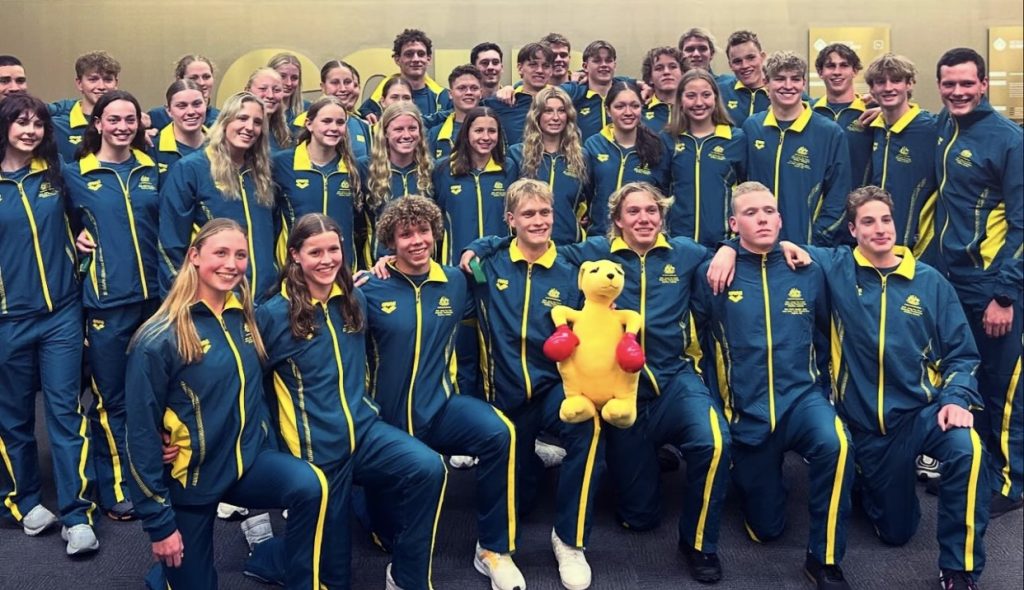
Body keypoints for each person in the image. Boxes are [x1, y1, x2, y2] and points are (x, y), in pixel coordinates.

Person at [466, 182, 736, 585]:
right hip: (552, 392)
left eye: (651, 210)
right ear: (617, 220)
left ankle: (575, 540)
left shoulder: (679, 254)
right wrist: (479, 245)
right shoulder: (582, 255)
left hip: (642, 384)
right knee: (608, 510)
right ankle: (540, 468)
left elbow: (740, 247)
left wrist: (729, 246)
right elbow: (514, 247)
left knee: (606, 427)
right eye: (633, 212)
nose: (643, 218)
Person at [236, 213, 446, 590]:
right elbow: (244, 383)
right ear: (295, 255)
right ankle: (268, 554)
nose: (327, 259)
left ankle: (406, 578)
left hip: (364, 434)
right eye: (315, 252)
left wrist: (387, 264)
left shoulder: (354, 298)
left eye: (333, 250)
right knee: (333, 577)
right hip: (317, 453)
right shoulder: (272, 315)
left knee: (428, 467)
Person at [124, 218, 329, 590]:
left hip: (245, 463)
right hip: (191, 481)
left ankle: (275, 563)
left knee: (311, 485)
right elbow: (139, 434)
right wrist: (159, 525)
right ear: (194, 256)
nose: (231, 264)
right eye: (220, 253)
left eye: (240, 255)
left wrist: (370, 275)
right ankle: (167, 576)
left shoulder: (246, 317)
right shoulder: (158, 338)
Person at [692, 181, 853, 590]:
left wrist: (824, 387)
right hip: (747, 409)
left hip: (801, 399)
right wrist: (728, 248)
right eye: (750, 213)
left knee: (837, 444)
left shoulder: (808, 269)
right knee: (766, 530)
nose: (762, 219)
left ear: (780, 219)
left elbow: (825, 329)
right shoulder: (714, 273)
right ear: (734, 223)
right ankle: (756, 473)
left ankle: (824, 560)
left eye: (768, 211)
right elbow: (699, 342)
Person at [360, 195, 524, 590]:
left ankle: (493, 548)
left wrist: (477, 247)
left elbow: (511, 242)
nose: (417, 241)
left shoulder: (455, 280)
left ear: (435, 233)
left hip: (438, 410)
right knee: (385, 537)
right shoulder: (370, 287)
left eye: (424, 231)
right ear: (390, 242)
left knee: (499, 432)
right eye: (405, 234)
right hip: (386, 422)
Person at [458, 179, 601, 590]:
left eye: (545, 212)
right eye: (528, 213)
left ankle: (570, 539)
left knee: (587, 425)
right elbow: (451, 269)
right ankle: (492, 547)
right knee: (517, 496)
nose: (538, 221)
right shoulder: (489, 264)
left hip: (553, 388)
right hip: (504, 394)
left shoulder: (572, 268)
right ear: (511, 219)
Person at [0, 92, 99, 556]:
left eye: (38, 123)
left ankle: (78, 515)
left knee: (64, 411)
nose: (30, 131)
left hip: (61, 313)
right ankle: (23, 501)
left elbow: (90, 215)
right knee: (14, 417)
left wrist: (82, 234)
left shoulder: (56, 174)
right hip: (7, 321)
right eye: (21, 122)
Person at [62, 89, 160, 523]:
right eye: (114, 119)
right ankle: (118, 487)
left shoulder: (151, 169)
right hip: (106, 304)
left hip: (155, 300)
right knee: (111, 398)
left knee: (154, 394)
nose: (122, 127)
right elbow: (55, 229)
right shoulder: (75, 175)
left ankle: (155, 475)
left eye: (129, 119)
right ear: (97, 123)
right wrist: (76, 238)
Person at [934, 47, 1023, 519]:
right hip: (953, 282)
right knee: (966, 377)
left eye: (967, 83)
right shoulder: (944, 127)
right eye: (949, 84)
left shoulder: (1009, 139)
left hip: (994, 286)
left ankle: (1011, 482)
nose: (958, 92)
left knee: (1003, 386)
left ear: (984, 84)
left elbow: (1023, 224)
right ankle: (980, 470)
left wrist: (1004, 295)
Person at [159, 91, 278, 304]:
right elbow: (171, 243)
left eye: (257, 122)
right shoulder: (191, 169)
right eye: (242, 118)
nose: (249, 127)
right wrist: (182, 298)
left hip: (264, 299)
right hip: (213, 299)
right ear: (225, 121)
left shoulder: (262, 173)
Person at [742, 51, 850, 245]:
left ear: (804, 83)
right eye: (779, 79)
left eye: (795, 79)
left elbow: (839, 196)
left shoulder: (829, 132)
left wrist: (816, 239)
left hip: (806, 248)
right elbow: (741, 185)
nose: (788, 86)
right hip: (757, 247)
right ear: (766, 83)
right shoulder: (752, 127)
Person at [272, 96, 362, 272]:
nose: (333, 128)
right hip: (296, 271)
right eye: (326, 121)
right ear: (309, 124)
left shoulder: (354, 168)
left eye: (340, 122)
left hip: (341, 271)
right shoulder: (282, 164)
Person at [863, 53, 938, 256]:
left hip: (919, 249)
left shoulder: (931, 128)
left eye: (896, 80)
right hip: (878, 245)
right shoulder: (874, 128)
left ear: (910, 84)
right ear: (872, 89)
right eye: (881, 82)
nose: (888, 88)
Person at [664, 68, 746, 246]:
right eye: (691, 96)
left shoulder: (735, 139)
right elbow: (659, 190)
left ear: (715, 98)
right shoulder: (668, 139)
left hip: (723, 245)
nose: (699, 102)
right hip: (677, 244)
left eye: (706, 95)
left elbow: (746, 190)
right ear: (680, 100)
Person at [583, 81, 668, 236]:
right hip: (600, 237)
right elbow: (585, 193)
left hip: (640, 238)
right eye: (620, 106)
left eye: (634, 106)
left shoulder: (657, 147)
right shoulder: (593, 145)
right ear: (608, 110)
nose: (628, 112)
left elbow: (663, 195)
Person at [506, 85, 587, 245]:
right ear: (537, 115)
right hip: (526, 247)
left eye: (561, 111)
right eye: (548, 111)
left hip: (568, 246)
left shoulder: (581, 157)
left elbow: (588, 201)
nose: (555, 117)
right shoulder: (517, 154)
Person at [360, 101, 434, 265]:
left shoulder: (432, 169)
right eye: (398, 129)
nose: (406, 135)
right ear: (385, 132)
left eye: (412, 128)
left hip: (424, 262)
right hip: (380, 266)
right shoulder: (365, 168)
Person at [812, 43, 873, 187]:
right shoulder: (809, 112)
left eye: (844, 65)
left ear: (855, 71)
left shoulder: (871, 112)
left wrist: (884, 109)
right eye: (830, 66)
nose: (837, 72)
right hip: (819, 199)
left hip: (860, 197)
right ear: (820, 72)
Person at [359, 29, 452, 120]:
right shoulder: (374, 103)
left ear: (428, 59)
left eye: (421, 54)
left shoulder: (444, 98)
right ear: (397, 59)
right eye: (409, 54)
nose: (416, 59)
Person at [52, 51, 120, 161]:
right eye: (93, 79)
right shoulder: (57, 125)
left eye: (108, 79)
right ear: (79, 84)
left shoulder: (127, 125)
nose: (101, 86)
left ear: (116, 83)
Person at [482, 42, 554, 144]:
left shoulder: (562, 102)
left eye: (546, 66)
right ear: (520, 68)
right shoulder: (500, 103)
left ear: (551, 71)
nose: (540, 70)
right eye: (533, 65)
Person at [313, 60, 371, 160]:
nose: (343, 88)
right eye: (335, 82)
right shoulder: (306, 121)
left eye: (348, 82)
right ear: (323, 87)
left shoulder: (363, 125)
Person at [148, 55, 220, 132]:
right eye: (193, 78)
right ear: (179, 80)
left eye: (206, 77)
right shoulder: (156, 117)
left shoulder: (220, 118)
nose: (201, 83)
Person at [153, 79, 207, 178]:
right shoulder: (153, 148)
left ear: (206, 104)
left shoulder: (220, 144)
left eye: (197, 104)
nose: (191, 112)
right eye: (182, 106)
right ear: (168, 111)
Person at [427, 64, 482, 161]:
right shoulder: (435, 133)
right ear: (450, 94)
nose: (468, 92)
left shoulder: (492, 129)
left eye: (474, 88)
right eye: (462, 88)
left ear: (481, 93)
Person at [719, 31, 768, 126]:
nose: (745, 65)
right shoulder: (720, 92)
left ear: (762, 57)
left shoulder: (779, 93)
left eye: (751, 58)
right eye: (737, 61)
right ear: (730, 65)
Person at [245, 67, 290, 152]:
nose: (270, 95)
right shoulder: (241, 130)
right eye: (263, 89)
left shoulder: (284, 132)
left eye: (276, 90)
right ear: (247, 91)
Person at [641, 46, 684, 133]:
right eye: (659, 68)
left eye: (673, 67)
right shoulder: (640, 112)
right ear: (650, 78)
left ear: (683, 73)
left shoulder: (693, 108)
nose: (666, 72)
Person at [268, 52, 309, 133]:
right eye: (282, 76)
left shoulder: (309, 110)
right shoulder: (260, 111)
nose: (289, 83)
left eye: (294, 78)